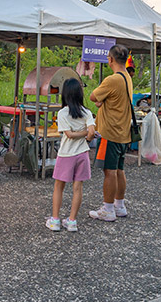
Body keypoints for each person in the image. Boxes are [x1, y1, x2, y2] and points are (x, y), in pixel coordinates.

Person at [89, 44, 134, 222]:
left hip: (110, 132)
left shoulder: (112, 79)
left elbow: (93, 96)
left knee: (109, 171)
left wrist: (101, 102)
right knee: (119, 170)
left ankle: (108, 209)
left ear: (110, 59)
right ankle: (119, 205)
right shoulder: (127, 77)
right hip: (123, 131)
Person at [48, 78, 95, 232]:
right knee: (78, 188)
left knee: (59, 187)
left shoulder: (62, 113)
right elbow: (91, 132)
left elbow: (68, 134)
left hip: (66, 154)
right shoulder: (87, 112)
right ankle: (72, 221)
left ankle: (55, 220)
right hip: (82, 154)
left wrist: (79, 133)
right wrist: (87, 135)